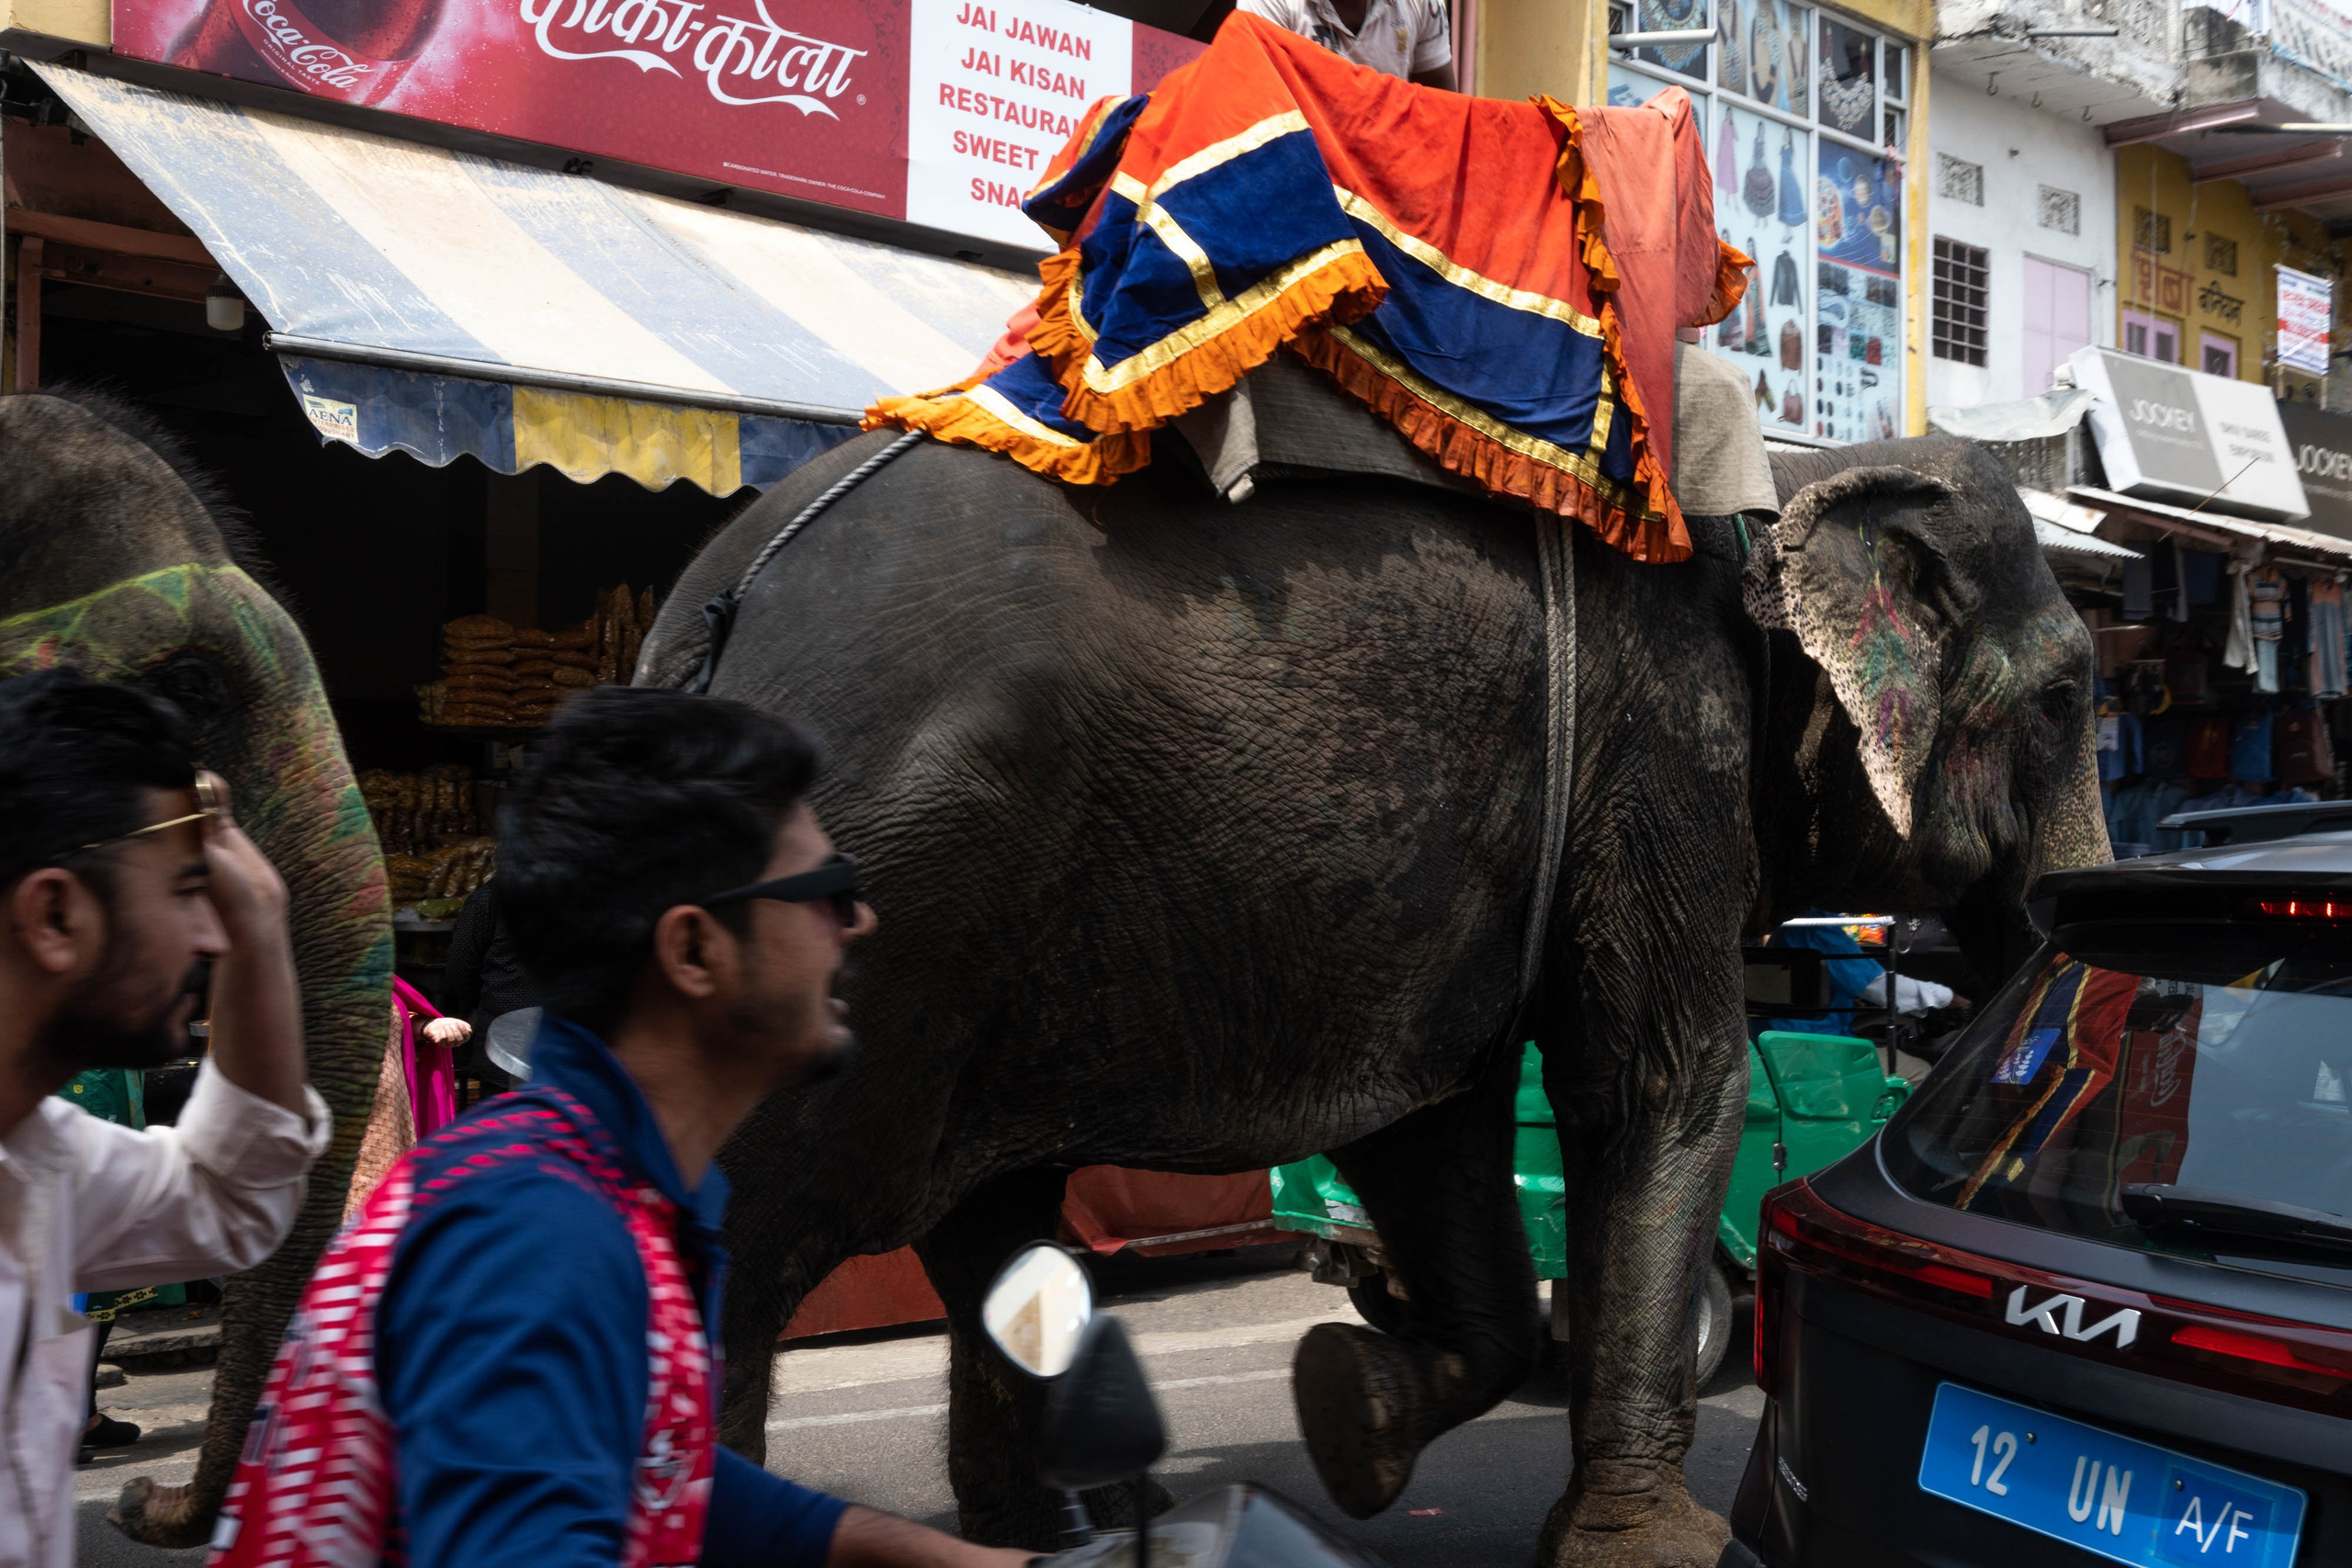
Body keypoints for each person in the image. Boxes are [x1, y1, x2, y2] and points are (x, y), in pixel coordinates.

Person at [210, 688, 1033, 1568]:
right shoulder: (536, 1232)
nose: (857, 920)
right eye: (825, 889)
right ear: (695, 950)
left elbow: (659, 1478)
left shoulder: (601, 1186)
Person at [0, 670, 328, 1568]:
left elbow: (234, 1199)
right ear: (54, 913)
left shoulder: (40, 1157)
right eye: (188, 892)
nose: (211, 937)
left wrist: (263, 920)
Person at [1237, 0, 1457, 87]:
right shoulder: (1268, 4)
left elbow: (1442, 108)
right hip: (1305, 157)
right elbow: (1259, 108)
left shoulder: (1422, 4)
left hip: (1388, 155)